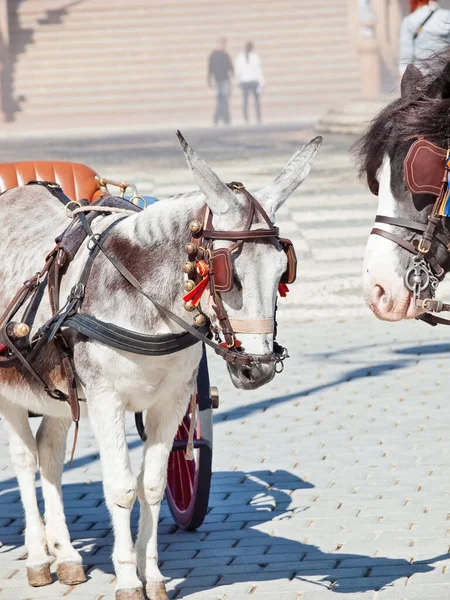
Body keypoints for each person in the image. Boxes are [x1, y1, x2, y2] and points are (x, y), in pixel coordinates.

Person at [399, 0, 450, 75]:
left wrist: (402, 76)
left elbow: (406, 55)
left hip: (420, 76)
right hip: (443, 75)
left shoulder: (409, 20)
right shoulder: (447, 16)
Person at [235, 41, 264, 124]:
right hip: (254, 81)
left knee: (245, 101)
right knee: (256, 101)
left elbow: (238, 71)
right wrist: (262, 82)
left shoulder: (240, 57)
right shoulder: (255, 57)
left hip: (244, 81)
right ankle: (258, 118)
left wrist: (238, 80)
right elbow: (258, 71)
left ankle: (246, 118)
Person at [207, 38, 233, 126]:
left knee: (222, 100)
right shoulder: (217, 55)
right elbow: (210, 68)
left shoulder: (220, 55)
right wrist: (209, 80)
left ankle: (220, 119)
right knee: (223, 100)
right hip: (221, 80)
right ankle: (223, 119)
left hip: (222, 79)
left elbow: (230, 67)